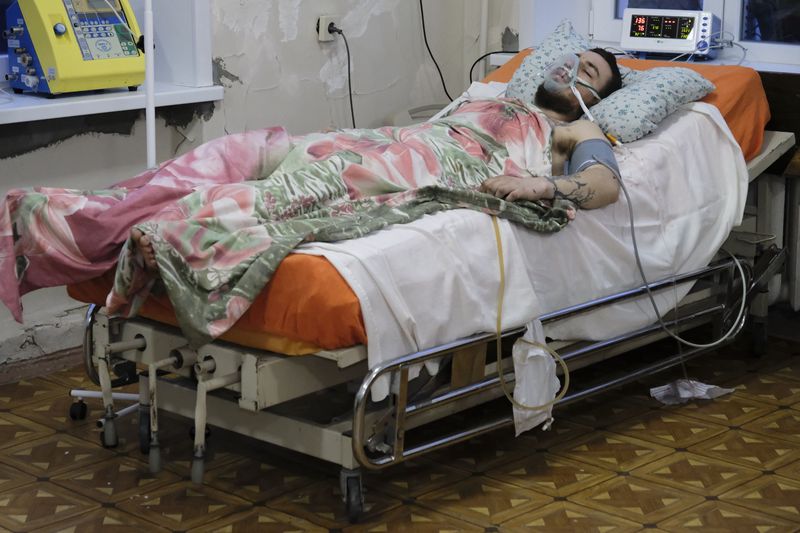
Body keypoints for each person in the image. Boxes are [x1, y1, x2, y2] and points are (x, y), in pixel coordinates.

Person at [480, 48, 622, 209]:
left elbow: (607, 183)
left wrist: (540, 186)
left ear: (594, 100)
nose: (570, 67)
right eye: (572, 60)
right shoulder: (495, 102)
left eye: (587, 72)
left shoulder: (577, 129)